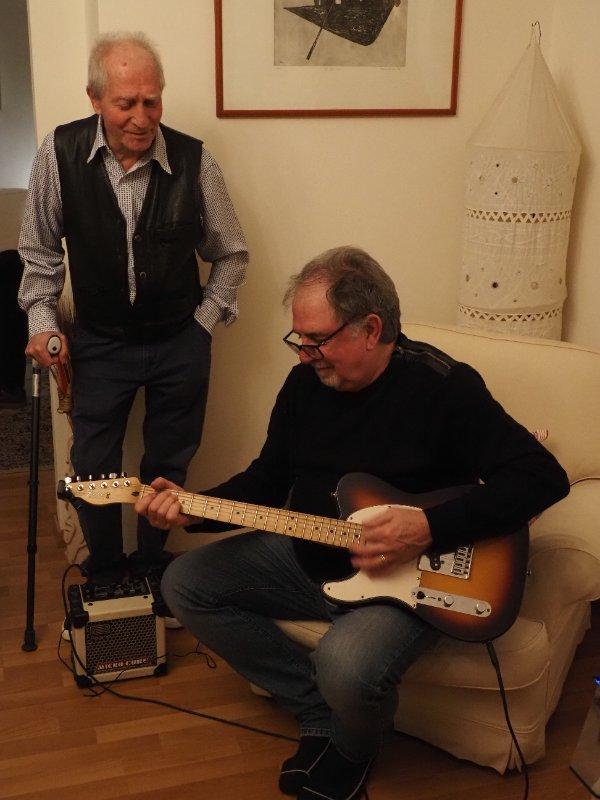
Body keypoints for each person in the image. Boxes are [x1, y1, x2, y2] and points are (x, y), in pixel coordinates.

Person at [135, 246, 569, 799]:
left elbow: (541, 477)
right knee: (184, 583)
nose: (304, 356)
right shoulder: (303, 387)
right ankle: (317, 711)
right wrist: (190, 506)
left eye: (317, 340)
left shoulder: (444, 388)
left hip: (407, 580)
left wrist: (428, 527)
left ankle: (353, 746)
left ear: (370, 329)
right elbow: (267, 481)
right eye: (299, 339)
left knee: (345, 663)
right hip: (308, 557)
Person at [18, 32, 248, 588]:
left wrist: (201, 326)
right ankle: (105, 570)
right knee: (94, 467)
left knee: (169, 464)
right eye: (126, 103)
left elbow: (232, 253)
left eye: (152, 101)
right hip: (98, 340)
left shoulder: (195, 160)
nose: (141, 118)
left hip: (179, 341)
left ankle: (150, 565)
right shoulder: (58, 153)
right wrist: (42, 324)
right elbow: (39, 253)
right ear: (95, 98)